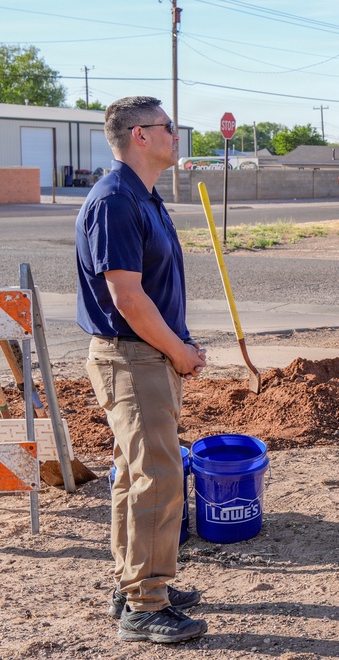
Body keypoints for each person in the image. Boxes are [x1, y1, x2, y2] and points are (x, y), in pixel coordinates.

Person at [75, 96, 208, 643]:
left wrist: (181, 341)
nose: (177, 135)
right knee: (158, 477)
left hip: (147, 355)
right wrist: (177, 351)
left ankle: (134, 584)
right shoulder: (114, 201)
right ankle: (146, 604)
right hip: (131, 358)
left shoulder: (144, 198)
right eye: (169, 127)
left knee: (136, 477)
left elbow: (153, 288)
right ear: (140, 136)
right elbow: (126, 297)